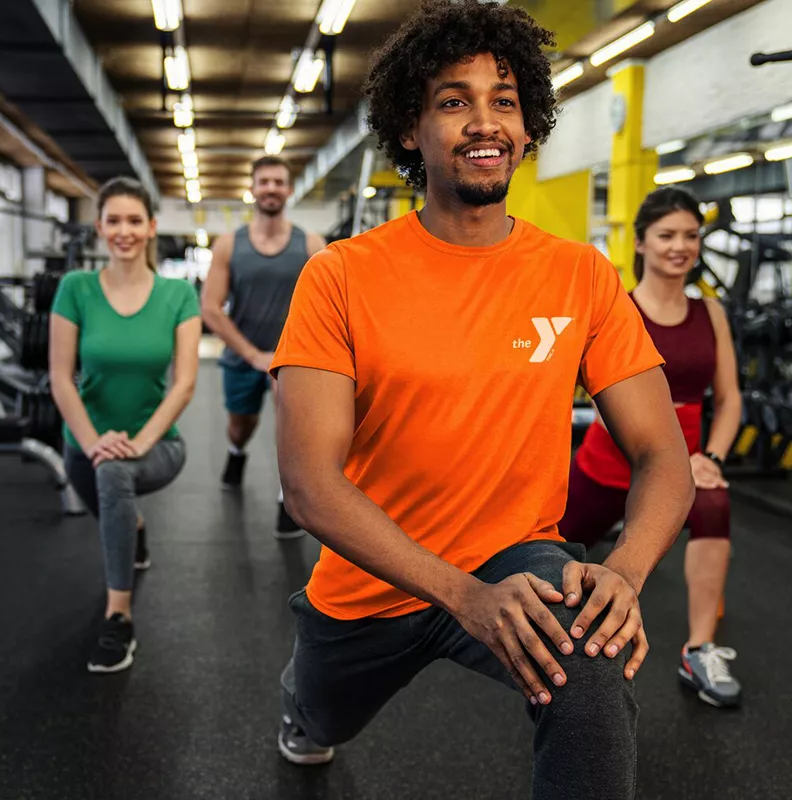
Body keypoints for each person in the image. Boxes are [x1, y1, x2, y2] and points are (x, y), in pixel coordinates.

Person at [268, 2, 694, 797]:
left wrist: (625, 574)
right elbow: (310, 486)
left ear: (528, 127)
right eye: (454, 101)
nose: (484, 121)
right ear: (409, 129)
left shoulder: (580, 276)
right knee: (318, 720)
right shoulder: (341, 276)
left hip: (516, 559)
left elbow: (660, 451)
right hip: (371, 579)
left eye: (504, 100)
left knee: (592, 669)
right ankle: (305, 707)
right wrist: (461, 595)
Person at [560, 186, 743, 708]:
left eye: (690, 236)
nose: (679, 246)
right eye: (666, 235)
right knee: (545, 553)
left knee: (714, 504)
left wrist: (710, 459)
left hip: (683, 471)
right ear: (640, 243)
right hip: (607, 462)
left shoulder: (711, 313)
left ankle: (701, 648)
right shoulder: (618, 308)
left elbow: (728, 401)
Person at [50, 177, 201, 673]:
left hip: (156, 444)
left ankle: (119, 618)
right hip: (84, 447)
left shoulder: (177, 295)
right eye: (113, 220)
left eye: (134, 220)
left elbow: (183, 384)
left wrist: (137, 443)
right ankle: (132, 525)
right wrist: (94, 443)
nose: (124, 230)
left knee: (115, 476)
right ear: (99, 228)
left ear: (152, 227)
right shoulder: (75, 289)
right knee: (109, 483)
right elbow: (60, 377)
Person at [201, 156, 326, 536]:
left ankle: (286, 500)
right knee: (241, 425)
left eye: (278, 182)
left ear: (288, 190)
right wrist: (252, 354)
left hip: (293, 358)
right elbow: (210, 309)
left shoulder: (311, 243)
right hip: (243, 356)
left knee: (290, 429)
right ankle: (236, 452)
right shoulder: (228, 245)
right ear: (253, 190)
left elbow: (326, 306)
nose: (271, 188)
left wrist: (297, 353)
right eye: (264, 182)